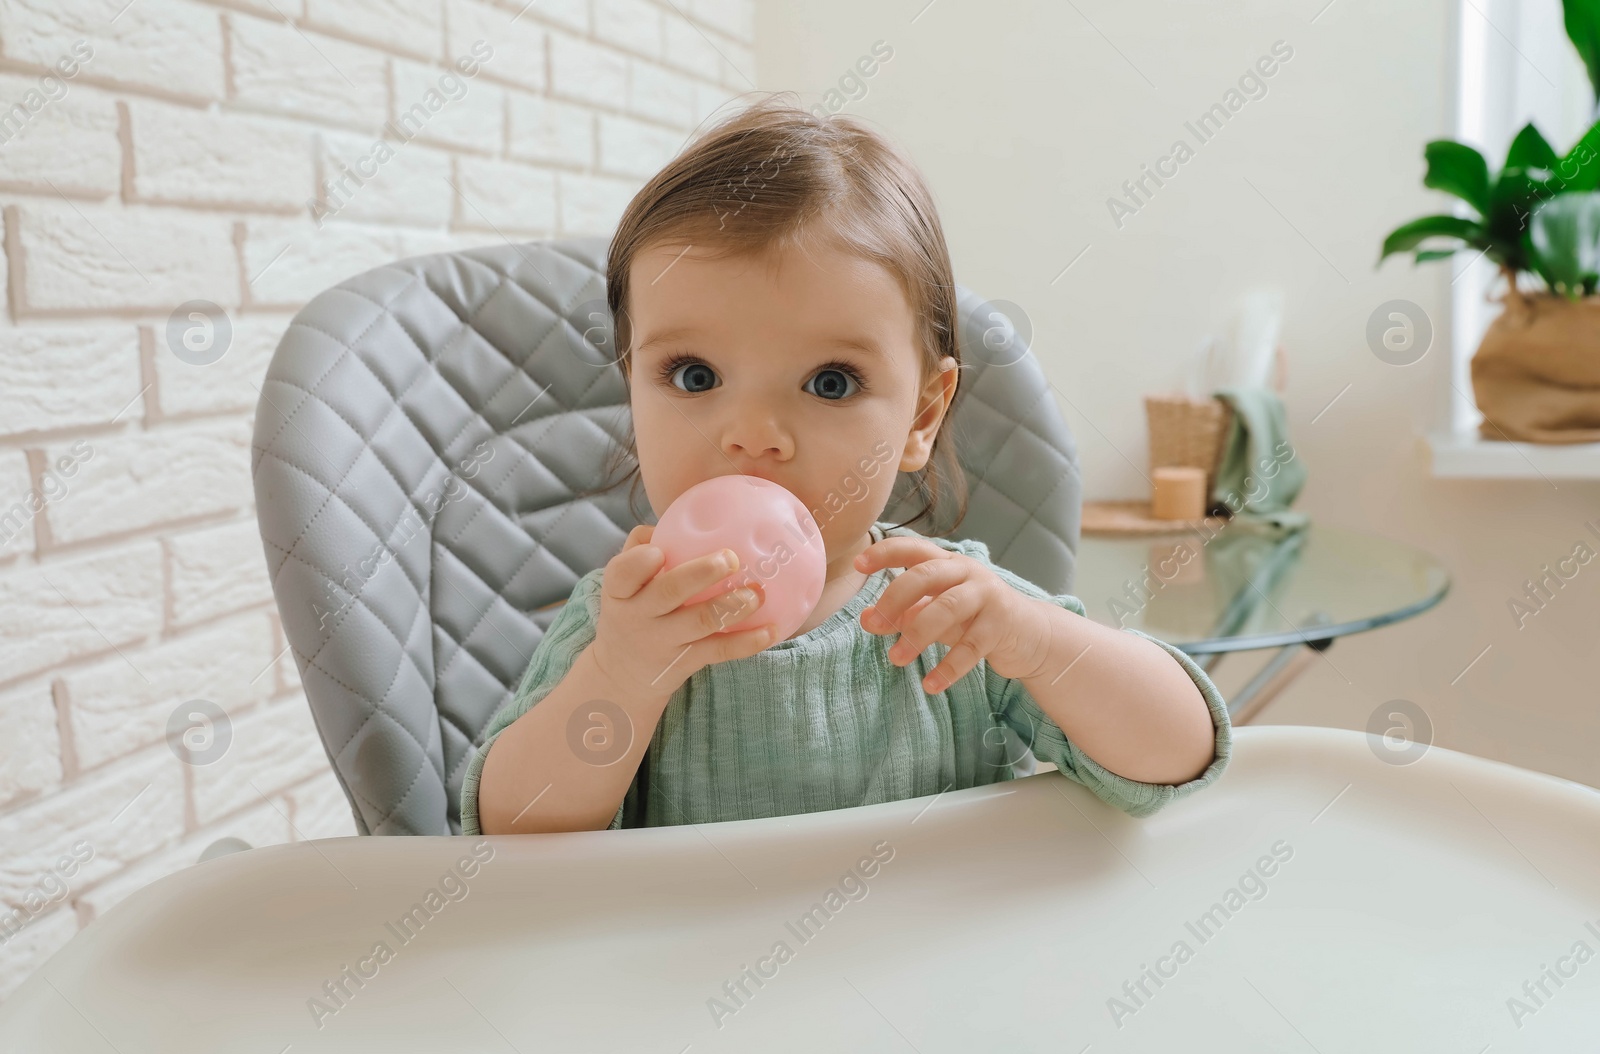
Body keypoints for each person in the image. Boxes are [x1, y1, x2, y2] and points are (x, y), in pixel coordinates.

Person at [461, 93, 1230, 836]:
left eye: (831, 382)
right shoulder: (622, 625)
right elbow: (511, 834)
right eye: (694, 376)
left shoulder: (953, 614)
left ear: (921, 417)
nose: (754, 435)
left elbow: (1178, 756)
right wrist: (621, 679)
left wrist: (1038, 643)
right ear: (632, 385)